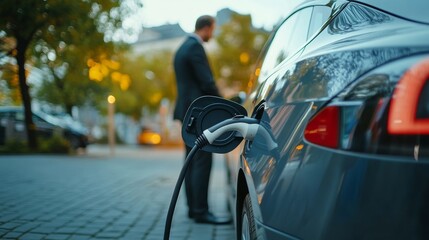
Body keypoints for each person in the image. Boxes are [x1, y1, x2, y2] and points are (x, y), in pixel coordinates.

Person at [173, 15, 230, 225]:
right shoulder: (195, 48)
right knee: (203, 159)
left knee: (190, 159)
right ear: (206, 28)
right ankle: (201, 211)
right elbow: (207, 83)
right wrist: (224, 106)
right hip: (198, 114)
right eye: (213, 30)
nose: (212, 35)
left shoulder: (182, 47)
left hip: (186, 112)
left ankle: (193, 209)